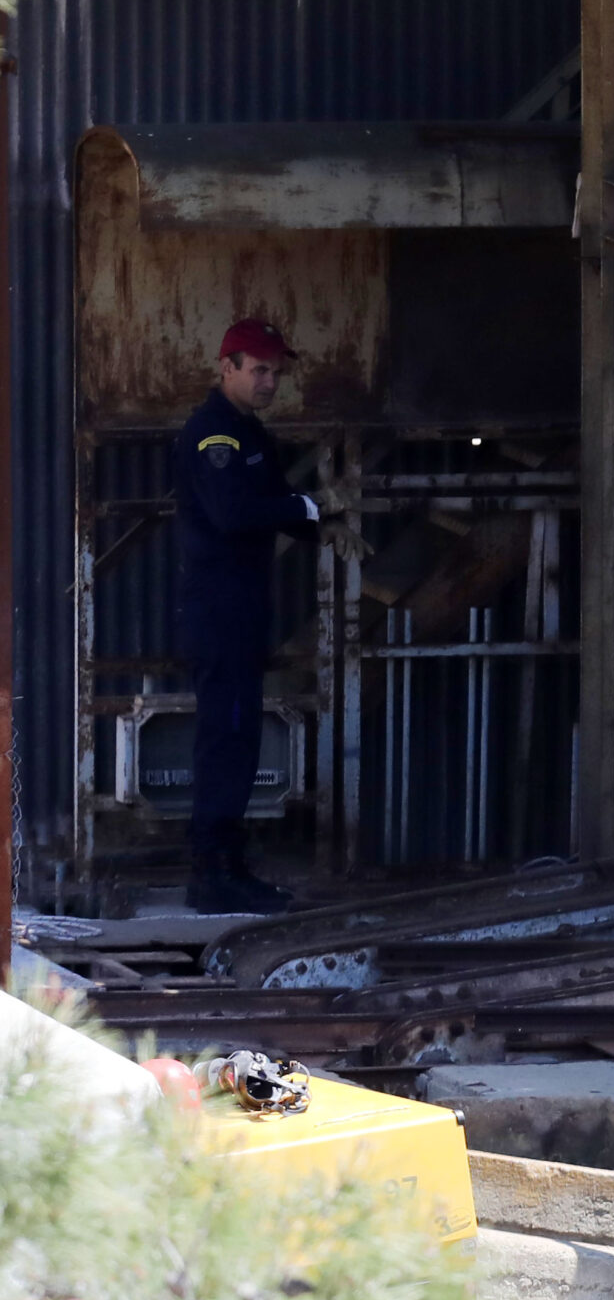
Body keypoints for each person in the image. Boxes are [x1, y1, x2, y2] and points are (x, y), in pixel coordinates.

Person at [174, 319, 369, 915]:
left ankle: (229, 868)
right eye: (258, 370)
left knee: (238, 739)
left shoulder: (249, 433)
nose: (269, 382)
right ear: (226, 367)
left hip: (241, 612)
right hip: (220, 614)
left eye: (275, 373)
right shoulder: (214, 436)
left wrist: (320, 527)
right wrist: (312, 504)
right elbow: (235, 513)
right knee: (226, 741)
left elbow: (274, 504)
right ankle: (213, 875)